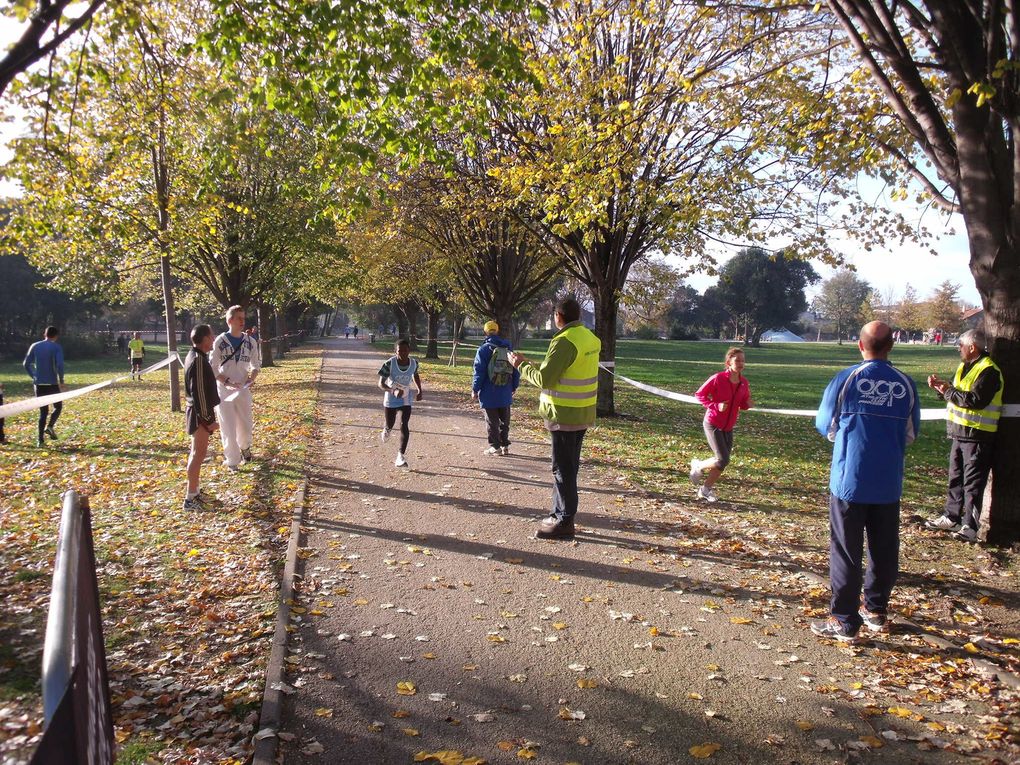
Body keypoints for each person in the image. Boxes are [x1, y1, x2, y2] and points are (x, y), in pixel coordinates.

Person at [811, 321, 920, 644]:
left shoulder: (847, 378)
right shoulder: (906, 383)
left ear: (860, 346)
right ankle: (875, 610)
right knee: (884, 548)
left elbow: (824, 424)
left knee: (846, 550)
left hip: (849, 480)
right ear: (891, 347)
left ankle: (845, 619)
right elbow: (912, 433)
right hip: (887, 481)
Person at [509, 297, 600, 540]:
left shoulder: (563, 341)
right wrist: (532, 364)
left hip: (564, 414)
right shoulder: (589, 338)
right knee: (567, 467)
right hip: (581, 412)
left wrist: (520, 365)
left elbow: (545, 379)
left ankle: (565, 522)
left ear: (558, 316)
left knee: (563, 470)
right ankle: (558, 513)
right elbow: (562, 371)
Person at [924, 328, 1003, 542]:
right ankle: (952, 517)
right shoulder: (964, 366)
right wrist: (942, 388)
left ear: (972, 347)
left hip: (978, 435)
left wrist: (948, 392)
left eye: (961, 345)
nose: (958, 349)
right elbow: (955, 392)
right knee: (955, 478)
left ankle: (970, 526)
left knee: (973, 484)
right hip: (959, 433)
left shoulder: (989, 370)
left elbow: (976, 400)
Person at [690, 347, 753, 502]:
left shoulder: (744, 383)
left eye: (743, 360)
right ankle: (701, 476)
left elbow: (742, 403)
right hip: (713, 423)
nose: (741, 363)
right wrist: (715, 405)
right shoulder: (718, 378)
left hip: (728, 426)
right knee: (723, 459)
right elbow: (700, 395)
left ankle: (703, 485)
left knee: (722, 462)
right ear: (728, 362)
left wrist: (748, 404)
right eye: (737, 360)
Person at [213, 306, 261, 470]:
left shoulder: (250, 341)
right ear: (230, 320)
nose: (242, 321)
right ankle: (232, 460)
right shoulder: (220, 342)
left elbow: (256, 366)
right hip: (224, 391)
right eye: (239, 318)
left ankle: (245, 447)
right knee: (227, 425)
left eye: (243, 318)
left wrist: (250, 379)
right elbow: (212, 367)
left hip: (243, 390)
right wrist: (226, 382)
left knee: (245, 424)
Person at [183, 324, 220, 510]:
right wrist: (208, 420)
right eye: (211, 336)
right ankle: (190, 498)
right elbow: (199, 393)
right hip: (199, 415)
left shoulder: (198, 357)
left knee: (197, 453)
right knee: (198, 454)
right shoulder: (197, 359)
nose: (213, 339)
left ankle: (195, 491)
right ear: (205, 338)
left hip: (199, 413)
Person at [472, 320, 520, 455]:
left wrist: (475, 389)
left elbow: (479, 371)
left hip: (489, 391)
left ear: (485, 332)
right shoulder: (508, 348)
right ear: (497, 331)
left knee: (491, 420)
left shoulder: (483, 350)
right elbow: (516, 369)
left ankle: (495, 446)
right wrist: (514, 385)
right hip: (505, 389)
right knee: (504, 420)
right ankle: (505, 445)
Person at [378, 338, 423, 467]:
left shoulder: (414, 363)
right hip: (391, 398)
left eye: (405, 350)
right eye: (399, 351)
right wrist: (393, 391)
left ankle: (400, 456)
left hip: (406, 398)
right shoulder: (389, 364)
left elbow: (415, 374)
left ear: (409, 350)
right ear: (395, 351)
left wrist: (419, 389)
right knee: (390, 424)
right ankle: (386, 429)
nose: (402, 353)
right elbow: (380, 384)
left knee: (404, 424)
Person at [24, 326, 66, 448]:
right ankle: (50, 426)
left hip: (39, 384)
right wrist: (61, 380)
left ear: (44, 334)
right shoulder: (56, 347)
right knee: (58, 407)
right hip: (52, 383)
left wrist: (34, 376)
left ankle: (40, 440)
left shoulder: (35, 345)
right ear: (56, 336)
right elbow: (59, 365)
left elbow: (26, 364)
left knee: (43, 412)